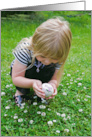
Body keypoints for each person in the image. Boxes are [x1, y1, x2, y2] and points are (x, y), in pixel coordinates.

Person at [10, 17, 72, 107]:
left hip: (41, 72)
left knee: (49, 69)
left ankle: (40, 91)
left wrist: (52, 85)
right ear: (34, 45)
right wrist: (32, 83)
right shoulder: (25, 51)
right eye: (42, 56)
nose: (47, 61)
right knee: (24, 81)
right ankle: (20, 92)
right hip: (23, 72)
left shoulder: (59, 55)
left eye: (54, 59)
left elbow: (55, 79)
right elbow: (16, 78)